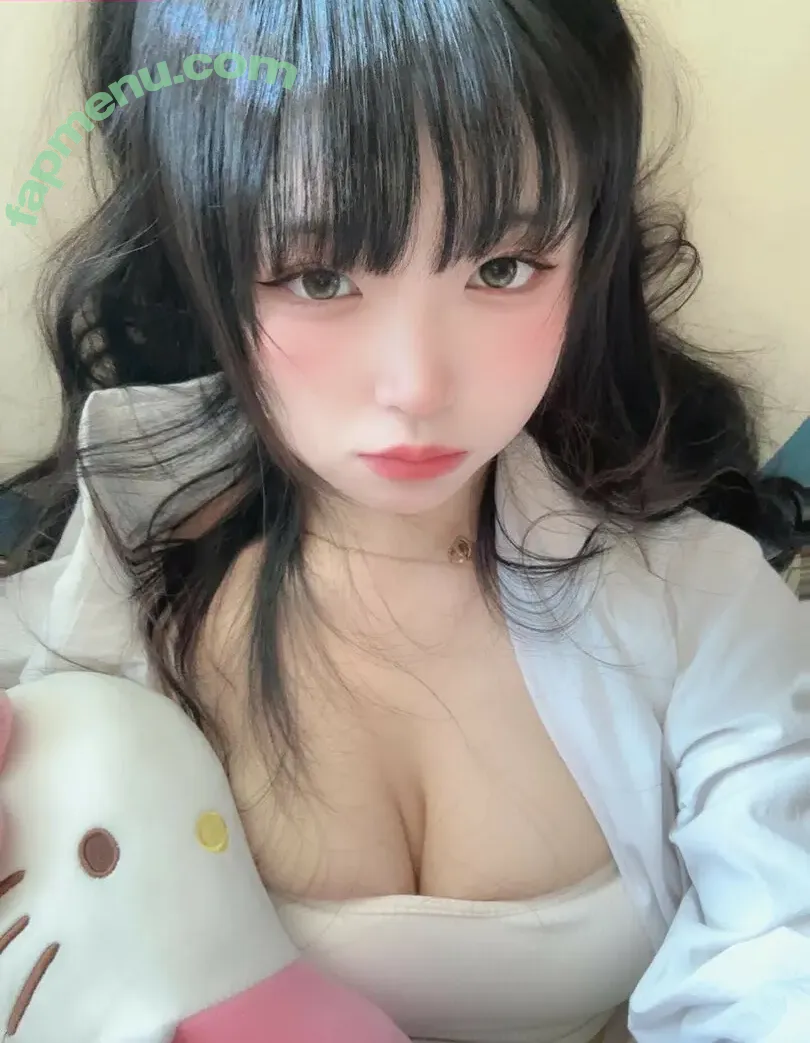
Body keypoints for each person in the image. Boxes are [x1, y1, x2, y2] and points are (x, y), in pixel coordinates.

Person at [1, 0, 809, 1040]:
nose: (418, 386)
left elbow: (780, 959)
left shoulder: (704, 607)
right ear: (204, 256)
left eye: (503, 267)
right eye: (321, 276)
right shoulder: (75, 645)